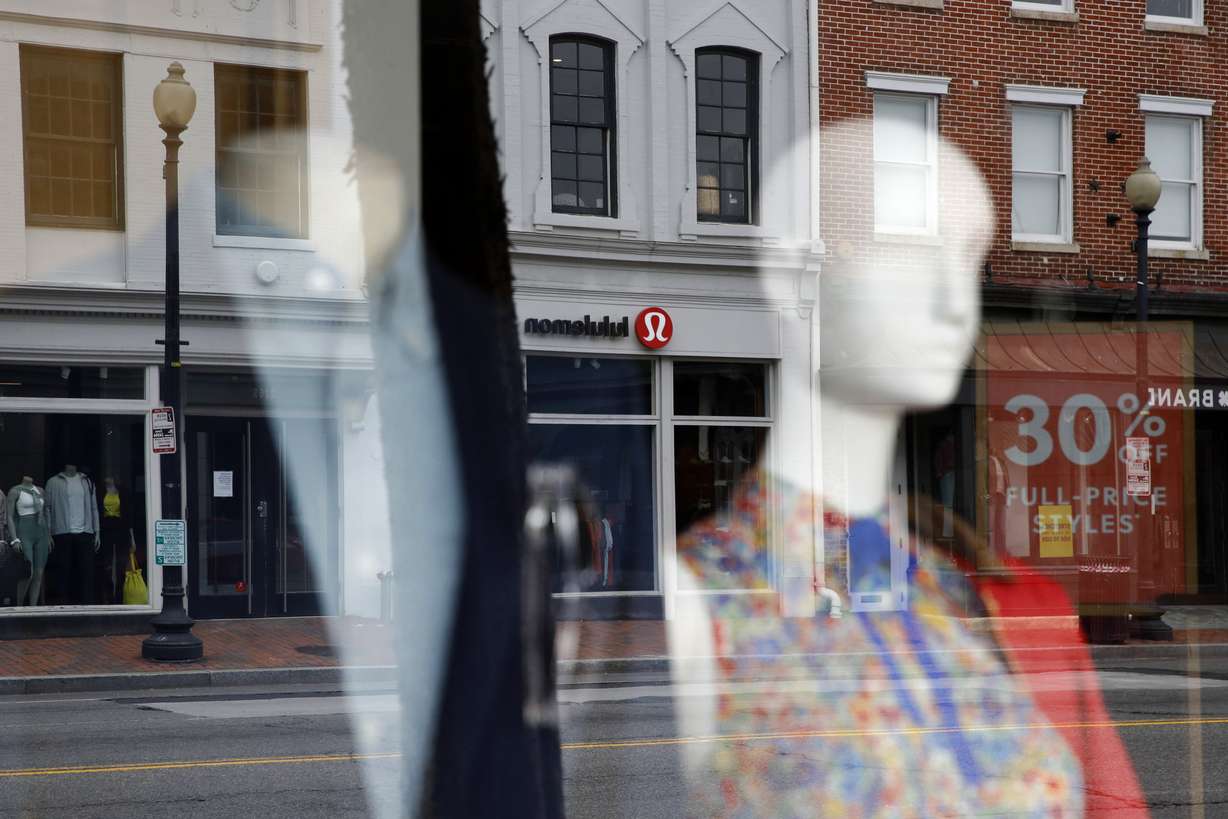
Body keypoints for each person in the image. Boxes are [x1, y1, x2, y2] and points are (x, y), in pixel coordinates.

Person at [669, 121, 1146, 817]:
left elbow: (1113, 803)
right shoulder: (702, 594)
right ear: (801, 273)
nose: (957, 305)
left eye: (968, 261)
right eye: (913, 254)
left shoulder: (1010, 598)